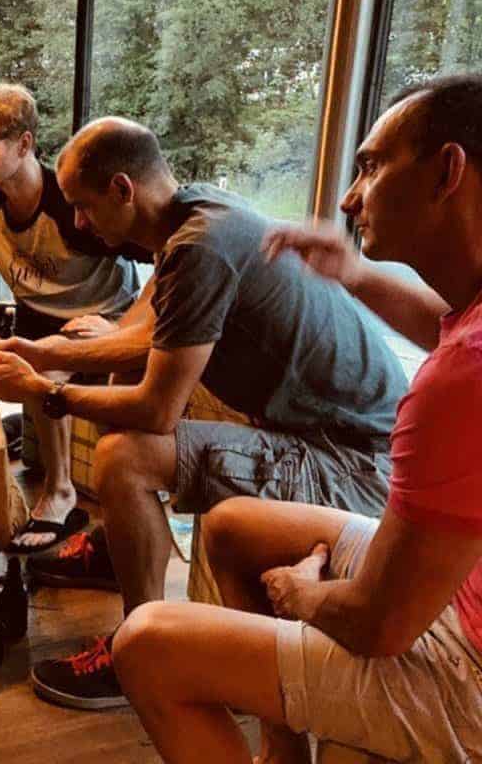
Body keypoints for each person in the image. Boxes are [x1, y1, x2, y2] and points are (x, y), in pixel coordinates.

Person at [0, 115, 407, 709]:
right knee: (125, 379)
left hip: (356, 464)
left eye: (82, 207)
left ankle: (141, 652)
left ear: (123, 190)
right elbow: (150, 340)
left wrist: (45, 391)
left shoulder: (200, 246)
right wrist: (43, 353)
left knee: (124, 458)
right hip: (330, 431)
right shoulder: (198, 211)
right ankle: (120, 550)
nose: (77, 223)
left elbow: (156, 410)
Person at [111, 73, 482, 763]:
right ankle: (285, 752)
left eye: (372, 167)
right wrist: (354, 274)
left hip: (468, 671)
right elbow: (446, 325)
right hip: (459, 580)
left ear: (447, 173)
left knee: (145, 645)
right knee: (231, 527)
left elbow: (377, 626)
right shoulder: (471, 328)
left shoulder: (457, 383)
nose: (348, 198)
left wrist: (301, 595)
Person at [0, 84, 145, 553]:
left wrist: (123, 329)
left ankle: (61, 492)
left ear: (23, 144)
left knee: (44, 370)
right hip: (34, 319)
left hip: (96, 320)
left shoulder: (69, 202)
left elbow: (166, 256)